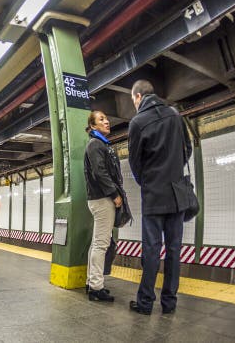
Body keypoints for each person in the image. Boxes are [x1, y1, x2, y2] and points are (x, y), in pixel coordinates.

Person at [128, 80, 191, 316]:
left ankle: (145, 303)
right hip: (177, 195)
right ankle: (169, 303)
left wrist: (148, 180)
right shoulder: (174, 115)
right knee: (174, 249)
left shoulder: (137, 122)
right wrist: (174, 171)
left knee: (152, 250)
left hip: (154, 196)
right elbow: (187, 148)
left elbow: (135, 163)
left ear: (137, 97)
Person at [83, 110, 123, 302]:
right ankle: (96, 288)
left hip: (98, 198)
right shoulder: (95, 144)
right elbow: (100, 172)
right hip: (102, 199)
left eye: (107, 118)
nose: (107, 122)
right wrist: (114, 194)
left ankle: (91, 281)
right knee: (101, 244)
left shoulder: (99, 144)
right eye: (101, 120)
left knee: (96, 243)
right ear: (93, 126)